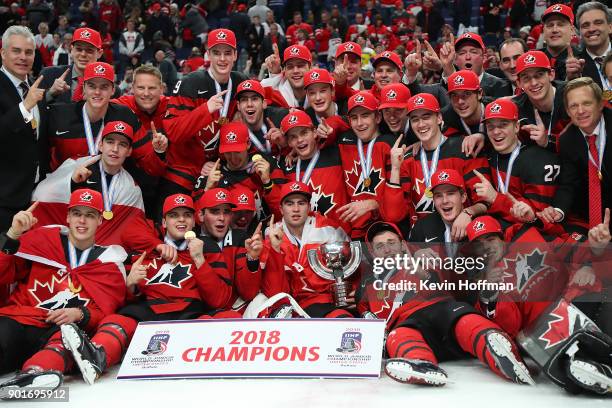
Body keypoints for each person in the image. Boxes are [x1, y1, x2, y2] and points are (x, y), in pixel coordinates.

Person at [57, 193, 236, 385]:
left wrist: (199, 259)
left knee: (227, 318)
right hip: (148, 311)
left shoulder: (206, 247)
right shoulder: (145, 245)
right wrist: (131, 284)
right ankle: (96, 356)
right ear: (164, 222)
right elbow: (123, 297)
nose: (182, 219)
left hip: (189, 312)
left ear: (194, 222)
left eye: (187, 215)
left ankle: (219, 364)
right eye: (174, 215)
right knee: (117, 320)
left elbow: (219, 300)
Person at [358, 221, 534, 386]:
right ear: (372, 253)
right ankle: (422, 365)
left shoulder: (425, 257)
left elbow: (450, 282)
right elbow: (367, 319)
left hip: (442, 311)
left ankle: (501, 349)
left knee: (465, 319)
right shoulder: (367, 286)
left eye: (391, 243)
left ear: (403, 245)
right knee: (399, 336)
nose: (387, 249)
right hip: (409, 324)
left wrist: (424, 273)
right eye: (380, 246)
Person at [0, 189, 127, 394]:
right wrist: (13, 234)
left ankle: (34, 374)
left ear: (100, 221)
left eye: (90, 215)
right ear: (67, 216)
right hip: (21, 321)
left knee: (69, 339)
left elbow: (105, 312)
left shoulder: (109, 262)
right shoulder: (40, 241)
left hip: (59, 330)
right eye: (77, 213)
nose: (82, 221)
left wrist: (80, 313)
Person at [32, 120, 146, 247]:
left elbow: (134, 228)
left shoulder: (131, 188)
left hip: (103, 253)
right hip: (66, 245)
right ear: (100, 145)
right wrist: (72, 182)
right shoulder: (76, 164)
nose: (115, 149)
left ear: (129, 151)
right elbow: (43, 195)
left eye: (122, 145)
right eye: (110, 142)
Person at [263, 181, 355, 318]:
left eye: (301, 203)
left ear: (309, 207)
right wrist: (275, 249)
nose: (296, 209)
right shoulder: (271, 235)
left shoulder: (328, 229)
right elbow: (274, 293)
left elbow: (352, 265)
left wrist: (357, 292)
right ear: (281, 209)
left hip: (326, 302)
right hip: (287, 308)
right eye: (289, 204)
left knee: (345, 321)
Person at [478, 98, 561, 224]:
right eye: (490, 127)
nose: (496, 132)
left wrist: (495, 198)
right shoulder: (487, 155)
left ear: (517, 127)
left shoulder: (539, 159)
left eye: (503, 125)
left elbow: (540, 218)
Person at [544, 77, 611, 232]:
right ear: (568, 111)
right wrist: (558, 210)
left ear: (601, 104)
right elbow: (569, 183)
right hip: (591, 218)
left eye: (587, 103)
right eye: (574, 106)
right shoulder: (567, 140)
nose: (580, 111)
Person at [267, 110, 351, 231]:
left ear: (315, 132)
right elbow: (281, 207)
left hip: (338, 238)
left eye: (304, 133)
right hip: (303, 241)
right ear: (289, 142)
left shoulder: (335, 153)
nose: (300, 140)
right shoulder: (286, 165)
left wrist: (330, 125)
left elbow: (350, 121)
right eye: (293, 137)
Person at [0, 25, 47, 232]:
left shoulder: (34, 88)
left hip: (34, 198)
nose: (23, 57)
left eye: (28, 52)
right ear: (3, 52)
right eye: (16, 51)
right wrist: (24, 107)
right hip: (3, 201)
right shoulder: (28, 97)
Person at [512, 50, 570, 153]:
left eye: (539, 75)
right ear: (519, 83)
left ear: (551, 75)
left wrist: (548, 142)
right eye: (526, 78)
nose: (533, 83)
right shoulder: (516, 107)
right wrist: (482, 134)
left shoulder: (570, 95)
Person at [40, 27, 103, 105]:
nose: (83, 54)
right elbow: (32, 109)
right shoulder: (49, 75)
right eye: (79, 49)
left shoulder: (106, 87)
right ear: (72, 50)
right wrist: (50, 93)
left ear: (99, 53)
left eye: (89, 50)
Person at [566, 2, 611, 90]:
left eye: (598, 23)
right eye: (585, 25)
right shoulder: (575, 66)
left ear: (610, 27)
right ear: (580, 32)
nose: (591, 29)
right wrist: (571, 80)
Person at [539, 4, 576, 82]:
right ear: (543, 31)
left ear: (572, 30)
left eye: (560, 24)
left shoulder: (583, 60)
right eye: (550, 25)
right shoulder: (533, 60)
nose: (554, 30)